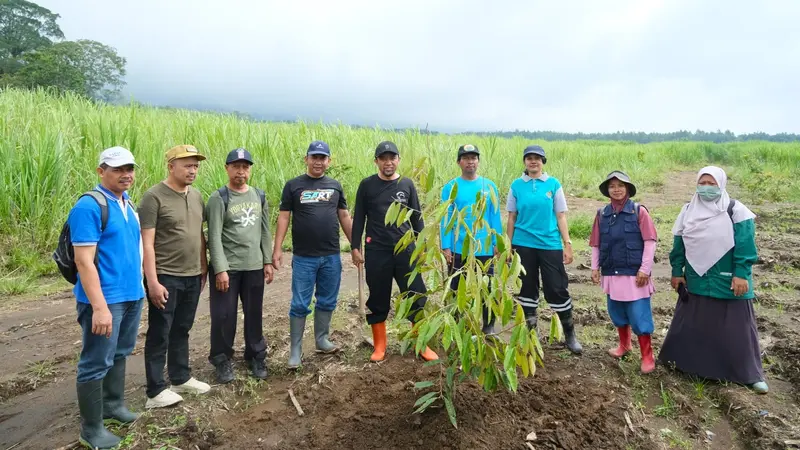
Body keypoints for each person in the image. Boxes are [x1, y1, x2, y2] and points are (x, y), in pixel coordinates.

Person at [658, 166, 768, 394]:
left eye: (712, 184)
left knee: (736, 329)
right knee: (694, 324)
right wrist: (677, 271)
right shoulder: (688, 210)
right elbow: (678, 245)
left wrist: (741, 274)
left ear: (721, 184)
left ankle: (750, 375)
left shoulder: (736, 210)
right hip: (697, 279)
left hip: (728, 279)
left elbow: (746, 246)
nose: (706, 188)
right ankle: (687, 366)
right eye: (703, 183)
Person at [67, 147, 145, 449]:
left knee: (121, 352)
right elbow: (84, 262)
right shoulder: (89, 207)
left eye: (130, 168)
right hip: (104, 299)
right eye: (117, 169)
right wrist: (99, 308)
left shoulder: (128, 203)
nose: (126, 174)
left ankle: (113, 405)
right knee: (95, 360)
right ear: (101, 171)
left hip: (131, 294)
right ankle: (91, 428)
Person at [351, 141, 439, 363]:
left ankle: (421, 344)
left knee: (416, 294)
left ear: (398, 160)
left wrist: (422, 248)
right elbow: (359, 217)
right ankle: (380, 346)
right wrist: (355, 247)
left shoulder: (406, 184)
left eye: (392, 158)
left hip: (406, 249)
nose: (388, 162)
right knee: (378, 297)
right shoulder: (367, 185)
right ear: (376, 161)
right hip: (377, 249)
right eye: (383, 158)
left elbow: (417, 217)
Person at [139, 144, 211, 409]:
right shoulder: (153, 197)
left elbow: (198, 235)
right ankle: (155, 390)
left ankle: (180, 377)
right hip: (166, 276)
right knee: (160, 331)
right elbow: (147, 243)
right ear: (171, 166)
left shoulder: (196, 196)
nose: (192, 170)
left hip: (193, 274)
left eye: (195, 166)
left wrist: (203, 267)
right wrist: (153, 281)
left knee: (182, 328)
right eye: (187, 165)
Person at [272, 141, 353, 369]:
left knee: (327, 299)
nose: (318, 162)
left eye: (322, 158)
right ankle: (295, 350)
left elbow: (344, 216)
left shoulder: (335, 186)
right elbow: (284, 218)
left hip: (331, 256)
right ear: (306, 159)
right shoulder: (293, 186)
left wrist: (356, 245)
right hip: (304, 257)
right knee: (300, 303)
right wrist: (277, 249)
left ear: (328, 161)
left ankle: (321, 339)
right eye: (314, 157)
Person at [206, 148, 274, 382]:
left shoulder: (259, 195)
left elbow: (265, 230)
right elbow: (213, 236)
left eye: (245, 167)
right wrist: (221, 268)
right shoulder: (219, 198)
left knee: (254, 313)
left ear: (250, 169)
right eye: (236, 166)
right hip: (228, 268)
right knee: (224, 315)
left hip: (253, 266)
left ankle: (256, 355)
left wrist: (267, 261)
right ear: (227, 168)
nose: (241, 171)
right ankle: (222, 359)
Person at [506, 145, 582, 354]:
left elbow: (561, 216)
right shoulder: (516, 186)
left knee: (557, 287)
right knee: (527, 288)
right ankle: (531, 335)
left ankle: (570, 336)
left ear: (543, 162)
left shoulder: (553, 184)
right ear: (524, 162)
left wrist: (567, 244)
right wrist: (508, 246)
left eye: (537, 158)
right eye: (529, 158)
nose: (533, 162)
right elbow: (512, 217)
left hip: (549, 244)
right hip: (523, 244)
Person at [589, 171, 657, 373]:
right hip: (611, 272)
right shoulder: (602, 214)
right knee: (616, 311)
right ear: (607, 190)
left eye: (620, 185)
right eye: (612, 186)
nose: (616, 189)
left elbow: (650, 242)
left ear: (628, 189)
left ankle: (647, 355)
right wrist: (595, 267)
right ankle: (624, 345)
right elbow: (595, 244)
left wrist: (645, 269)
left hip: (635, 274)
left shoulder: (639, 211)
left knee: (638, 314)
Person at [440, 144, 503, 334]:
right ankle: (456, 324)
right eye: (466, 158)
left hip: (484, 247)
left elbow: (495, 216)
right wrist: (446, 246)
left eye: (474, 158)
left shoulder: (488, 186)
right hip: (459, 248)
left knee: (488, 287)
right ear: (459, 162)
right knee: (456, 287)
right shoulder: (451, 187)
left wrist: (497, 243)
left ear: (478, 161)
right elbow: (446, 219)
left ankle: (489, 326)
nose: (470, 161)